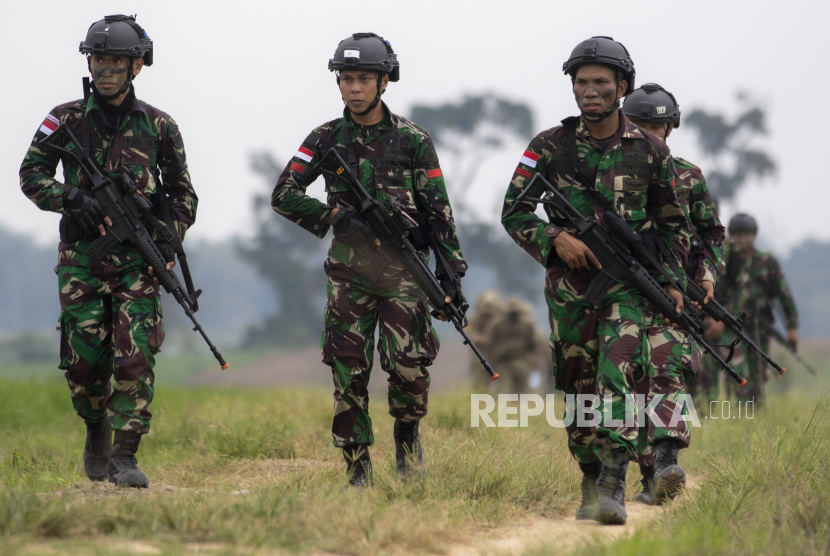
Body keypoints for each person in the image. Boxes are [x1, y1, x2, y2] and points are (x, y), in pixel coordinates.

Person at [501, 36, 689, 525]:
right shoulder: (548, 147)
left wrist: (670, 282)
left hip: (627, 287)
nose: (589, 91)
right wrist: (554, 237)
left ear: (621, 86)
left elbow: (673, 227)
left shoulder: (650, 150)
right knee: (578, 386)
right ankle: (590, 475)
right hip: (570, 292)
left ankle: (614, 484)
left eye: (601, 82)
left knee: (618, 374)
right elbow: (513, 212)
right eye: (581, 82)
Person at [271, 33, 468, 487]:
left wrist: (451, 276)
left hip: (405, 274)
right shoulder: (324, 138)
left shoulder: (413, 139)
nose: (354, 88)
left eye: (363, 79)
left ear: (384, 81)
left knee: (408, 367)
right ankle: (357, 466)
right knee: (348, 369)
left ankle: (407, 438)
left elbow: (439, 212)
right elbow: (283, 194)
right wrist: (332, 216)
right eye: (346, 79)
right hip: (349, 274)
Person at [19, 15, 197, 488]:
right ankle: (95, 427)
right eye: (99, 59)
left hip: (138, 264)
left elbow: (183, 194)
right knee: (83, 364)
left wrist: (168, 234)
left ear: (137, 66)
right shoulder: (66, 119)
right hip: (81, 260)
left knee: (134, 358)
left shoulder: (160, 126)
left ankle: (124, 455)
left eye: (117, 60)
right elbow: (30, 176)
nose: (106, 69)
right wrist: (69, 199)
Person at [622, 83, 725, 505]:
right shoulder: (608, 173)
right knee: (625, 382)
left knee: (668, 369)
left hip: (675, 295)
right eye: (642, 125)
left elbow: (710, 233)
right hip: (621, 291)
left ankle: (665, 465)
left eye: (658, 126)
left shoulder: (688, 175)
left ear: (670, 128)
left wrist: (705, 275)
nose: (651, 133)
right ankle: (638, 476)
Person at [705, 214, 798, 403]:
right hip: (730, 323)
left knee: (758, 373)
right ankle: (738, 415)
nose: (742, 239)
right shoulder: (724, 261)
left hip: (757, 324)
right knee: (736, 368)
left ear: (754, 235)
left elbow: (784, 295)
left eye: (746, 234)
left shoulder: (766, 261)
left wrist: (792, 326)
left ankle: (754, 418)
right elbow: (714, 292)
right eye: (737, 235)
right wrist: (715, 318)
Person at [488, 297, 545, 394]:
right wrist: (491, 361)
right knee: (504, 388)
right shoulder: (498, 324)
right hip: (504, 361)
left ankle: (524, 407)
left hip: (522, 360)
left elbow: (535, 343)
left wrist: (536, 360)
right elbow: (490, 343)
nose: (513, 315)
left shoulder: (527, 324)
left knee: (524, 388)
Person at [467, 291, 504, 389]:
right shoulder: (476, 318)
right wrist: (478, 338)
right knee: (479, 376)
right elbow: (470, 331)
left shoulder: (500, 319)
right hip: (481, 351)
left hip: (497, 350)